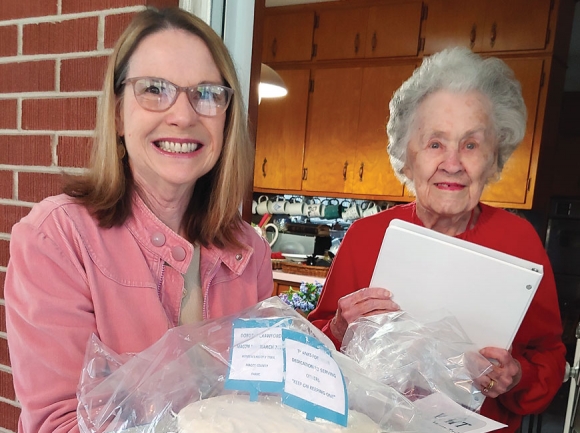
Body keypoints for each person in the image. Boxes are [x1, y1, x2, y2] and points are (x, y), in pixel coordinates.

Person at [5, 8, 273, 433]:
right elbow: (58, 425)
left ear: (226, 115)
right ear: (117, 113)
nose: (184, 116)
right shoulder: (57, 239)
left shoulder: (249, 252)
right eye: (154, 89)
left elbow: (264, 401)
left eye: (206, 93)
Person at [308, 47, 565, 432]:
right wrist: (340, 330)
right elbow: (314, 349)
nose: (453, 162)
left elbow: (548, 356)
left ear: (495, 159)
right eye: (435, 143)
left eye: (471, 144)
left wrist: (518, 375)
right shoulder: (366, 237)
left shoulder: (519, 240)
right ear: (406, 156)